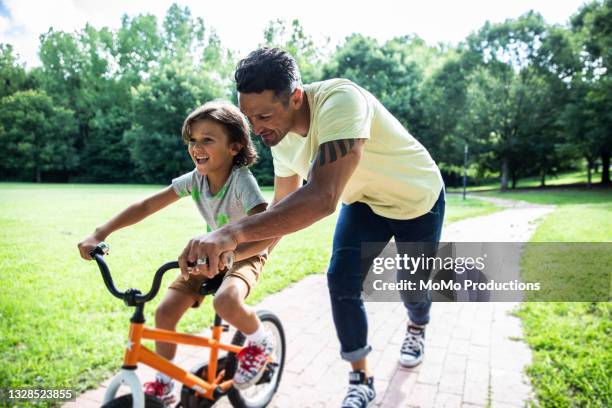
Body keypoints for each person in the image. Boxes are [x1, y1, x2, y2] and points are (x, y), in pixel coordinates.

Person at [178, 48, 445, 408]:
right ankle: (360, 379)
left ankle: (417, 325)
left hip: (417, 199)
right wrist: (233, 256)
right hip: (364, 203)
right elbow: (280, 212)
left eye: (264, 116)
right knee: (340, 280)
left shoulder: (341, 101)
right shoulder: (279, 136)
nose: (256, 129)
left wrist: (229, 234)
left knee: (411, 285)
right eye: (249, 117)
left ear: (296, 97)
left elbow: (321, 197)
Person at [78, 100, 276, 403]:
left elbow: (267, 229)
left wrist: (232, 254)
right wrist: (100, 233)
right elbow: (146, 205)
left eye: (207, 139)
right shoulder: (195, 179)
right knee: (164, 312)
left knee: (225, 301)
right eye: (192, 140)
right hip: (208, 253)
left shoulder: (241, 181)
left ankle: (261, 342)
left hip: (246, 253)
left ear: (235, 147)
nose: (196, 146)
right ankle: (165, 382)